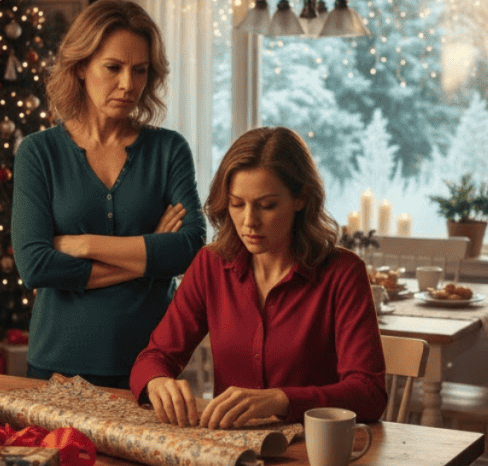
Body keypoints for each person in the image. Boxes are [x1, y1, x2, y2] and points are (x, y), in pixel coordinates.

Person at [130, 126, 387, 428]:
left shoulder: (342, 273)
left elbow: (369, 394)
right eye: (237, 204)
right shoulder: (210, 266)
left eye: (267, 205)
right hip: (229, 453)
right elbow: (154, 357)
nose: (249, 221)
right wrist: (158, 381)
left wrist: (281, 400)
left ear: (301, 198)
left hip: (313, 453)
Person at [12, 0, 206, 390]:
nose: (128, 85)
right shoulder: (39, 152)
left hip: (151, 366)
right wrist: (150, 258)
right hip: (58, 363)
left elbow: (190, 246)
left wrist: (84, 245)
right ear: (81, 66)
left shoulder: (169, 150)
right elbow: (35, 265)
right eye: (113, 68)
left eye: (140, 71)